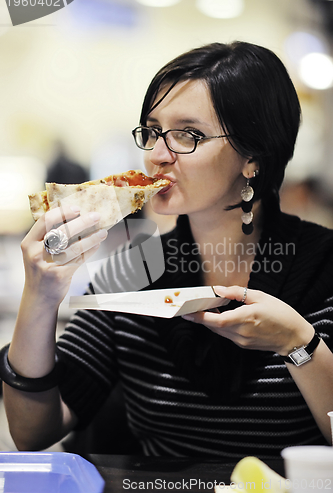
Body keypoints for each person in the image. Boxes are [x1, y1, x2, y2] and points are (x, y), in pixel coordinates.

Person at [2, 41, 333, 458]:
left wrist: (297, 342)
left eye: (187, 135)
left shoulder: (323, 267)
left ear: (253, 155)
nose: (157, 155)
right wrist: (40, 294)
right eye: (153, 131)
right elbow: (32, 433)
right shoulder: (133, 271)